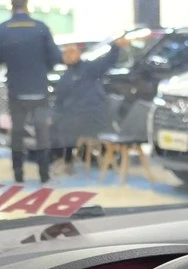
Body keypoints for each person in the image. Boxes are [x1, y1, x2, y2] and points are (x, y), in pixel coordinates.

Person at [0, 0, 62, 184]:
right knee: (42, 133)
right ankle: (44, 175)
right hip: (39, 90)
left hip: (17, 91)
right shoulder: (41, 28)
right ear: (27, 6)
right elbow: (56, 57)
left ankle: (18, 174)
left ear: (12, 7)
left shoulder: (2, 29)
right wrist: (42, 68)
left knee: (17, 133)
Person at [51, 37, 130, 172]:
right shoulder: (64, 78)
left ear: (78, 54)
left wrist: (116, 47)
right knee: (54, 125)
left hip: (93, 117)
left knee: (66, 125)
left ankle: (68, 161)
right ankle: (61, 159)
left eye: (72, 52)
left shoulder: (89, 69)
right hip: (75, 116)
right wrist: (52, 116)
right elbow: (59, 102)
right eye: (66, 53)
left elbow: (107, 61)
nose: (68, 55)